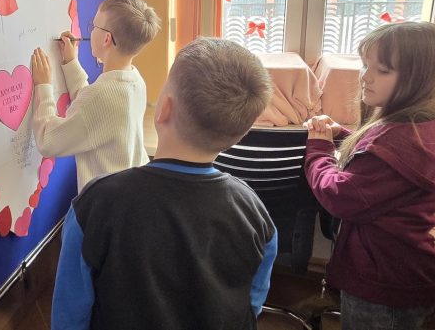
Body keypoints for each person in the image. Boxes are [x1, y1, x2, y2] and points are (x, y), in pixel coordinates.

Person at [51, 38, 277, 329]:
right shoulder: (254, 211)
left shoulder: (96, 204)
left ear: (163, 110)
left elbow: (69, 315)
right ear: (240, 132)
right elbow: (252, 302)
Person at [304, 22, 435, 329]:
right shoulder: (425, 125)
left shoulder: (397, 141)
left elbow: (339, 195)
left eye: (382, 70)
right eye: (364, 65)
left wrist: (318, 148)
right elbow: (381, 163)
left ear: (418, 78)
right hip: (410, 268)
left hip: (385, 282)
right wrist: (342, 135)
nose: (366, 77)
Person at [30, 0, 160, 191]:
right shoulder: (134, 81)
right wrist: (71, 63)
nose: (89, 31)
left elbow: (47, 141)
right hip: (130, 197)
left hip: (106, 210)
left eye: (94, 26)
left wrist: (43, 86)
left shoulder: (102, 96)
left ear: (107, 38)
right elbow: (93, 107)